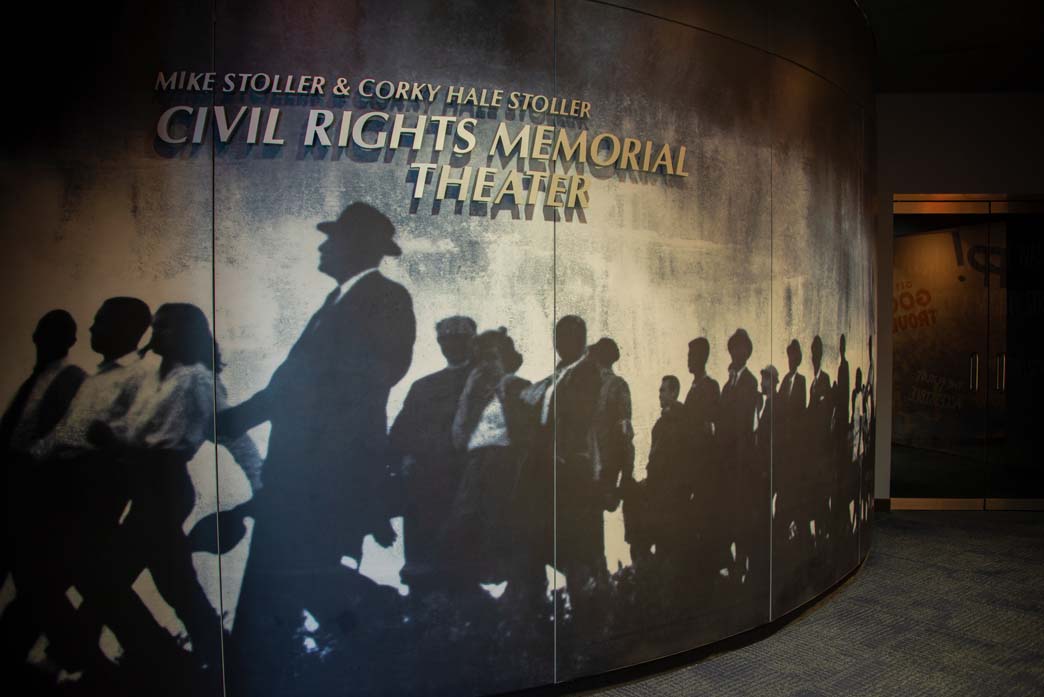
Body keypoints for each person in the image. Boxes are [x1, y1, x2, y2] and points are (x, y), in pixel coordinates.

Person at [218, 202, 415, 693]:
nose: (324, 246)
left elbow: (369, 380)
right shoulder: (332, 306)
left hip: (329, 472)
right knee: (272, 582)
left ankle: (386, 621)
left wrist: (341, 465)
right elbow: (290, 385)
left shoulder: (386, 298)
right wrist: (235, 418)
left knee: (303, 573)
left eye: (334, 237)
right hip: (295, 471)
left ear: (359, 245)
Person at [86, 303, 244, 690]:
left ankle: (169, 661)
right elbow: (134, 431)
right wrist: (110, 436)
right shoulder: (152, 377)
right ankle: (217, 661)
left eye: (167, 328)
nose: (158, 334)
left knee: (109, 579)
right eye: (156, 327)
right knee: (174, 585)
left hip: (165, 486)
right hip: (144, 485)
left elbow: (230, 432)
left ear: (187, 333)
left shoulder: (198, 379)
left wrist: (259, 483)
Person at [1, 310, 85, 681]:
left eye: (61, 334)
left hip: (38, 498)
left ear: (71, 342)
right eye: (47, 331)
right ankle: (65, 652)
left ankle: (72, 653)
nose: (51, 340)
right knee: (33, 583)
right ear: (36, 335)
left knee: (36, 582)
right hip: (13, 491)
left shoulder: (73, 381)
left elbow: (68, 442)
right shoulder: (32, 381)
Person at [388, 316, 476, 602]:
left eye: (459, 339)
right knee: (421, 571)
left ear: (471, 342)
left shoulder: (482, 382)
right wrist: (403, 463)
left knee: (461, 569)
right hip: (423, 491)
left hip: (463, 487)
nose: (452, 345)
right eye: (446, 340)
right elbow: (399, 434)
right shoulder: (423, 387)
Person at [443, 328, 530, 595]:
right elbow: (458, 438)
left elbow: (526, 437)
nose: (486, 365)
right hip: (476, 466)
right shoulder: (474, 396)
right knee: (462, 532)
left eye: (492, 357)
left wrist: (505, 390)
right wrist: (470, 392)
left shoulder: (519, 387)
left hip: (506, 467)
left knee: (505, 534)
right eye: (480, 359)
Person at [642, 375, 688, 576]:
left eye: (663, 390)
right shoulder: (661, 422)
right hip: (659, 492)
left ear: (674, 392)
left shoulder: (681, 418)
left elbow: (680, 457)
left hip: (672, 494)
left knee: (671, 544)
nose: (659, 394)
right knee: (661, 541)